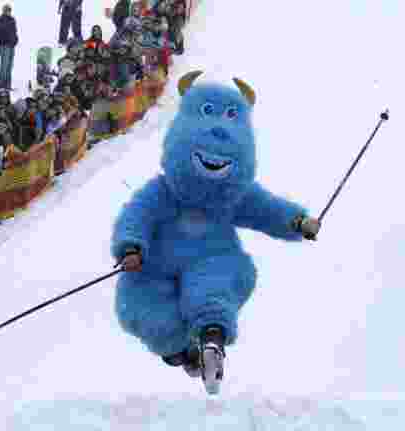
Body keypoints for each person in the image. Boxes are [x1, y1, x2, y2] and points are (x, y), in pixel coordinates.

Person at [110, 71, 320, 395]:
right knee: (144, 303)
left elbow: (268, 210)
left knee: (213, 283)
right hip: (161, 263)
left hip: (210, 256)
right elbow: (138, 215)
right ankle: (192, 348)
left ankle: (209, 337)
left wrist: (297, 221)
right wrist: (130, 246)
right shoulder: (166, 192)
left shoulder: (231, 195)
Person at [0, 4, 19, 91]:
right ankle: (1, 85)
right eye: (7, 10)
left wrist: (16, 40)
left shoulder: (12, 20)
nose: (8, 12)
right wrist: (1, 41)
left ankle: (8, 85)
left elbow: (15, 32)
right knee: (4, 66)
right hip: (4, 46)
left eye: (9, 10)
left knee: (10, 66)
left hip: (12, 46)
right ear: (3, 10)